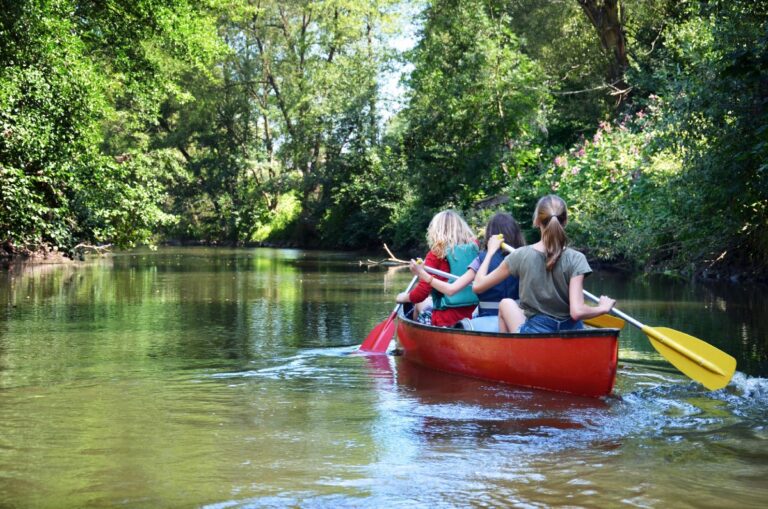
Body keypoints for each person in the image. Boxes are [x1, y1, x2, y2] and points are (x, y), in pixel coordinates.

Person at [472, 195, 615, 333]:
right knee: (511, 304)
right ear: (565, 221)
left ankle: (507, 355)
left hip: (536, 332)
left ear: (536, 221)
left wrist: (490, 252)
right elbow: (577, 312)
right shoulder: (577, 258)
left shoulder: (520, 255)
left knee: (505, 303)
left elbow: (478, 286)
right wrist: (601, 307)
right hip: (570, 332)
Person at [408, 212, 525, 331]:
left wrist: (422, 274)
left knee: (424, 307)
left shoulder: (481, 259)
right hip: (516, 319)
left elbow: (451, 290)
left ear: (490, 235)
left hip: (487, 321)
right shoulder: (525, 258)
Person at [396, 210, 478, 327]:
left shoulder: (436, 254)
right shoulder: (474, 249)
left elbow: (421, 293)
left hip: (445, 320)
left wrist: (405, 297)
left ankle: (413, 336)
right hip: (472, 318)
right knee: (426, 301)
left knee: (418, 303)